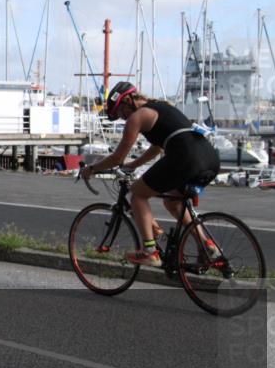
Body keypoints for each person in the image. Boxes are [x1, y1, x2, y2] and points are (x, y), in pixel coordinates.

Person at [80, 82, 221, 267]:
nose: (123, 117)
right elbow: (157, 148)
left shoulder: (137, 117)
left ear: (129, 100)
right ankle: (207, 245)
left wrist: (91, 169)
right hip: (209, 157)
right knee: (173, 202)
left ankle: (149, 251)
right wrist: (134, 164)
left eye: (121, 111)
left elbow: (117, 157)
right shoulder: (162, 107)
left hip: (185, 157)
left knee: (137, 195)